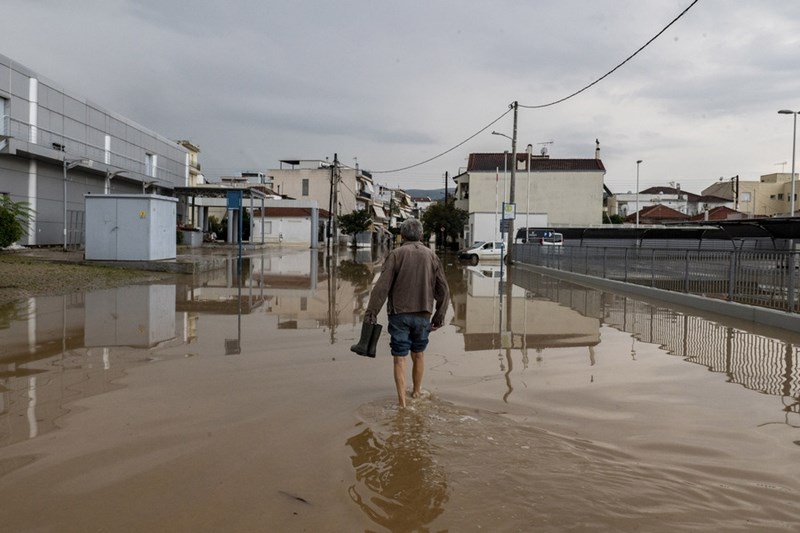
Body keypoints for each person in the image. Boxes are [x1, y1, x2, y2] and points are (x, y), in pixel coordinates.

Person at [364, 218, 450, 408]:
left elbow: (381, 288)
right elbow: (444, 291)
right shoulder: (432, 256)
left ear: (402, 236)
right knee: (418, 355)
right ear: (421, 235)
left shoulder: (396, 254)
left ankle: (402, 404)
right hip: (423, 315)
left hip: (399, 315)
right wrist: (439, 316)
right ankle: (417, 392)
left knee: (399, 358)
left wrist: (371, 314)